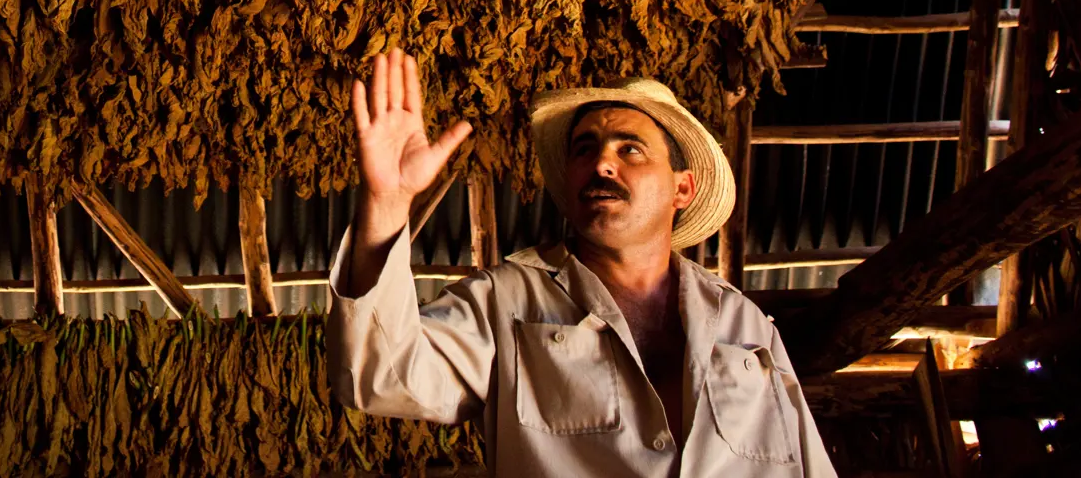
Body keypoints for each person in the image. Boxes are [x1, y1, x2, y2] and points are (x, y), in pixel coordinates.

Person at [328, 49, 836, 476]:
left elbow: (808, 463)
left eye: (630, 149)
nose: (601, 163)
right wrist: (388, 203)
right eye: (584, 149)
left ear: (682, 187)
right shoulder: (505, 301)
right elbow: (379, 376)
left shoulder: (744, 323)